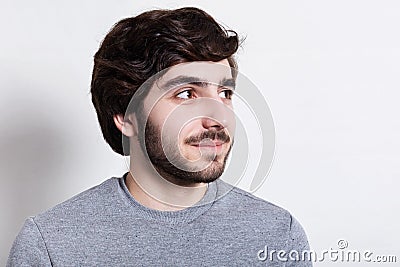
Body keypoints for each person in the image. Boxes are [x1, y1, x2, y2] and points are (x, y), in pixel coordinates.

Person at [7, 7, 312, 266]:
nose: (218, 116)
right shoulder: (50, 247)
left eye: (225, 92)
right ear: (126, 116)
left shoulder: (276, 235)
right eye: (185, 93)